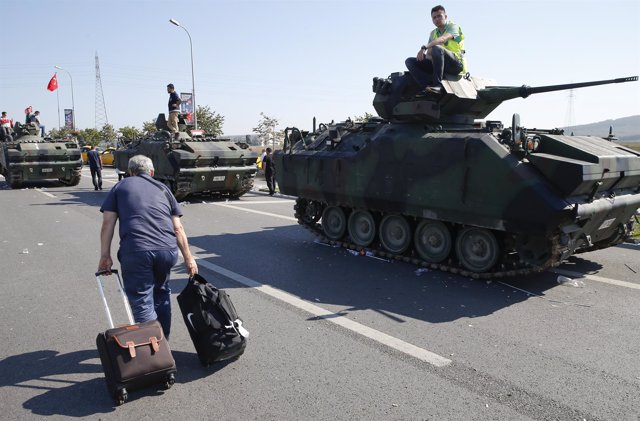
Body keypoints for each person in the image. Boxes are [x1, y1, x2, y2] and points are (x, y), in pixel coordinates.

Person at [98, 155, 198, 338]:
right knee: (161, 293)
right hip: (167, 251)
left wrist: (105, 255)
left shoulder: (120, 186)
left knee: (142, 299)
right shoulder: (163, 188)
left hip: (136, 251)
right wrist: (189, 258)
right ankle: (163, 342)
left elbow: (107, 223)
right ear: (151, 172)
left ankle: (154, 350)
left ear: (130, 172)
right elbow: (178, 228)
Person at [404, 5, 466, 96]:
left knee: (437, 48)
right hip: (439, 65)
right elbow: (429, 54)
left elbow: (443, 39)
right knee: (410, 61)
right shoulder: (433, 33)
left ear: (445, 17)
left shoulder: (453, 27)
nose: (436, 19)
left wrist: (424, 47)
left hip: (455, 64)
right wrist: (427, 57)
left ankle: (438, 86)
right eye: (434, 17)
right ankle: (427, 87)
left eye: (439, 16)